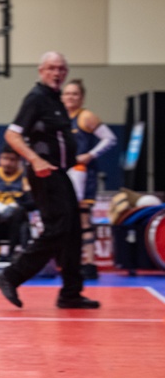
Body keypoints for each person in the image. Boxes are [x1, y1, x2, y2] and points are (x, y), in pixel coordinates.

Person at [0, 52, 99, 309]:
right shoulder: (36, 98)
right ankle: (11, 275)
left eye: (61, 68)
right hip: (45, 173)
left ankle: (71, 293)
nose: (57, 73)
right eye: (51, 68)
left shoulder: (55, 99)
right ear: (41, 70)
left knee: (73, 231)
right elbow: (12, 134)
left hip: (61, 173)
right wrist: (35, 160)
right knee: (58, 229)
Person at [62, 79, 118, 280]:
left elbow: (110, 138)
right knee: (67, 219)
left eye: (74, 94)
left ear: (82, 97)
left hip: (83, 174)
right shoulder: (59, 118)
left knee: (83, 218)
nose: (70, 97)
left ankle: (89, 263)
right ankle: (71, 261)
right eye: (67, 94)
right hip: (65, 173)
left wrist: (91, 155)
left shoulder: (86, 117)